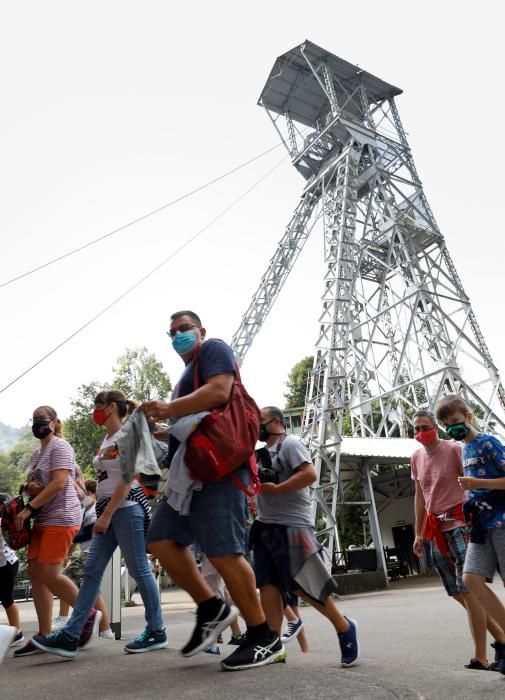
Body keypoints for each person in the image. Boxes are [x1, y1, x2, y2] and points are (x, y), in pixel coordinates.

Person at [140, 310, 285, 671]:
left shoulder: (214, 349)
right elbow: (193, 421)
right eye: (170, 332)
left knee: (224, 553)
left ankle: (264, 637)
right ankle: (211, 607)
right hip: (188, 476)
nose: (177, 336)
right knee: (160, 540)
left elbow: (220, 392)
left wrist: (168, 408)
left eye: (183, 329)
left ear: (201, 331)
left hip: (221, 470)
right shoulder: (185, 377)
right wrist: (163, 427)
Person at [31, 390, 166, 658]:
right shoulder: (107, 439)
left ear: (113, 407)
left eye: (98, 405)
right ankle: (71, 635)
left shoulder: (127, 434)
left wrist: (105, 516)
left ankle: (156, 630)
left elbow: (126, 480)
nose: (94, 409)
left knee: (139, 568)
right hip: (108, 511)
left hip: (126, 510)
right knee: (91, 571)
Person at [250, 405, 359, 667]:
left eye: (261, 421)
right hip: (265, 526)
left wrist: (276, 489)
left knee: (302, 584)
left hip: (292, 525)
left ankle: (343, 626)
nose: (258, 427)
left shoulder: (291, 444)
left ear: (276, 422)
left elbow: (309, 474)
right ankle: (273, 645)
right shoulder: (260, 454)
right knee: (268, 586)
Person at [411, 407, 505, 670]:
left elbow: (473, 481)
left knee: (469, 587)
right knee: (459, 591)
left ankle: (480, 656)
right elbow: (420, 495)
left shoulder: (457, 448)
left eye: (425, 427)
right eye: (416, 428)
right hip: (437, 528)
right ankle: (500, 638)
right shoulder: (416, 457)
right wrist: (419, 532)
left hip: (463, 523)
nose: (421, 432)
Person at [13, 406, 99, 657]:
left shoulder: (60, 447)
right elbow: (34, 485)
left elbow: (60, 482)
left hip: (61, 516)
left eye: (42, 419)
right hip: (44, 518)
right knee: (35, 573)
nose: (38, 424)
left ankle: (87, 614)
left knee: (49, 572)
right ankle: (44, 634)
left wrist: (28, 508)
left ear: (54, 422)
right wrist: (30, 488)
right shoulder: (36, 455)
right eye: (35, 419)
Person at [55, 480, 114, 639]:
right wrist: (68, 551)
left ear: (92, 493)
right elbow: (77, 535)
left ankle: (63, 617)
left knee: (64, 578)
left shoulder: (96, 509)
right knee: (93, 590)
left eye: (85, 493)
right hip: (87, 551)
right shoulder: (84, 510)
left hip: (91, 551)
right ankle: (106, 629)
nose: (82, 497)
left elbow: (88, 532)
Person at [0, 497, 24, 648]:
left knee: (7, 599)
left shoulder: (2, 521)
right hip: (6, 563)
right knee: (6, 598)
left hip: (6, 564)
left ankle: (17, 633)